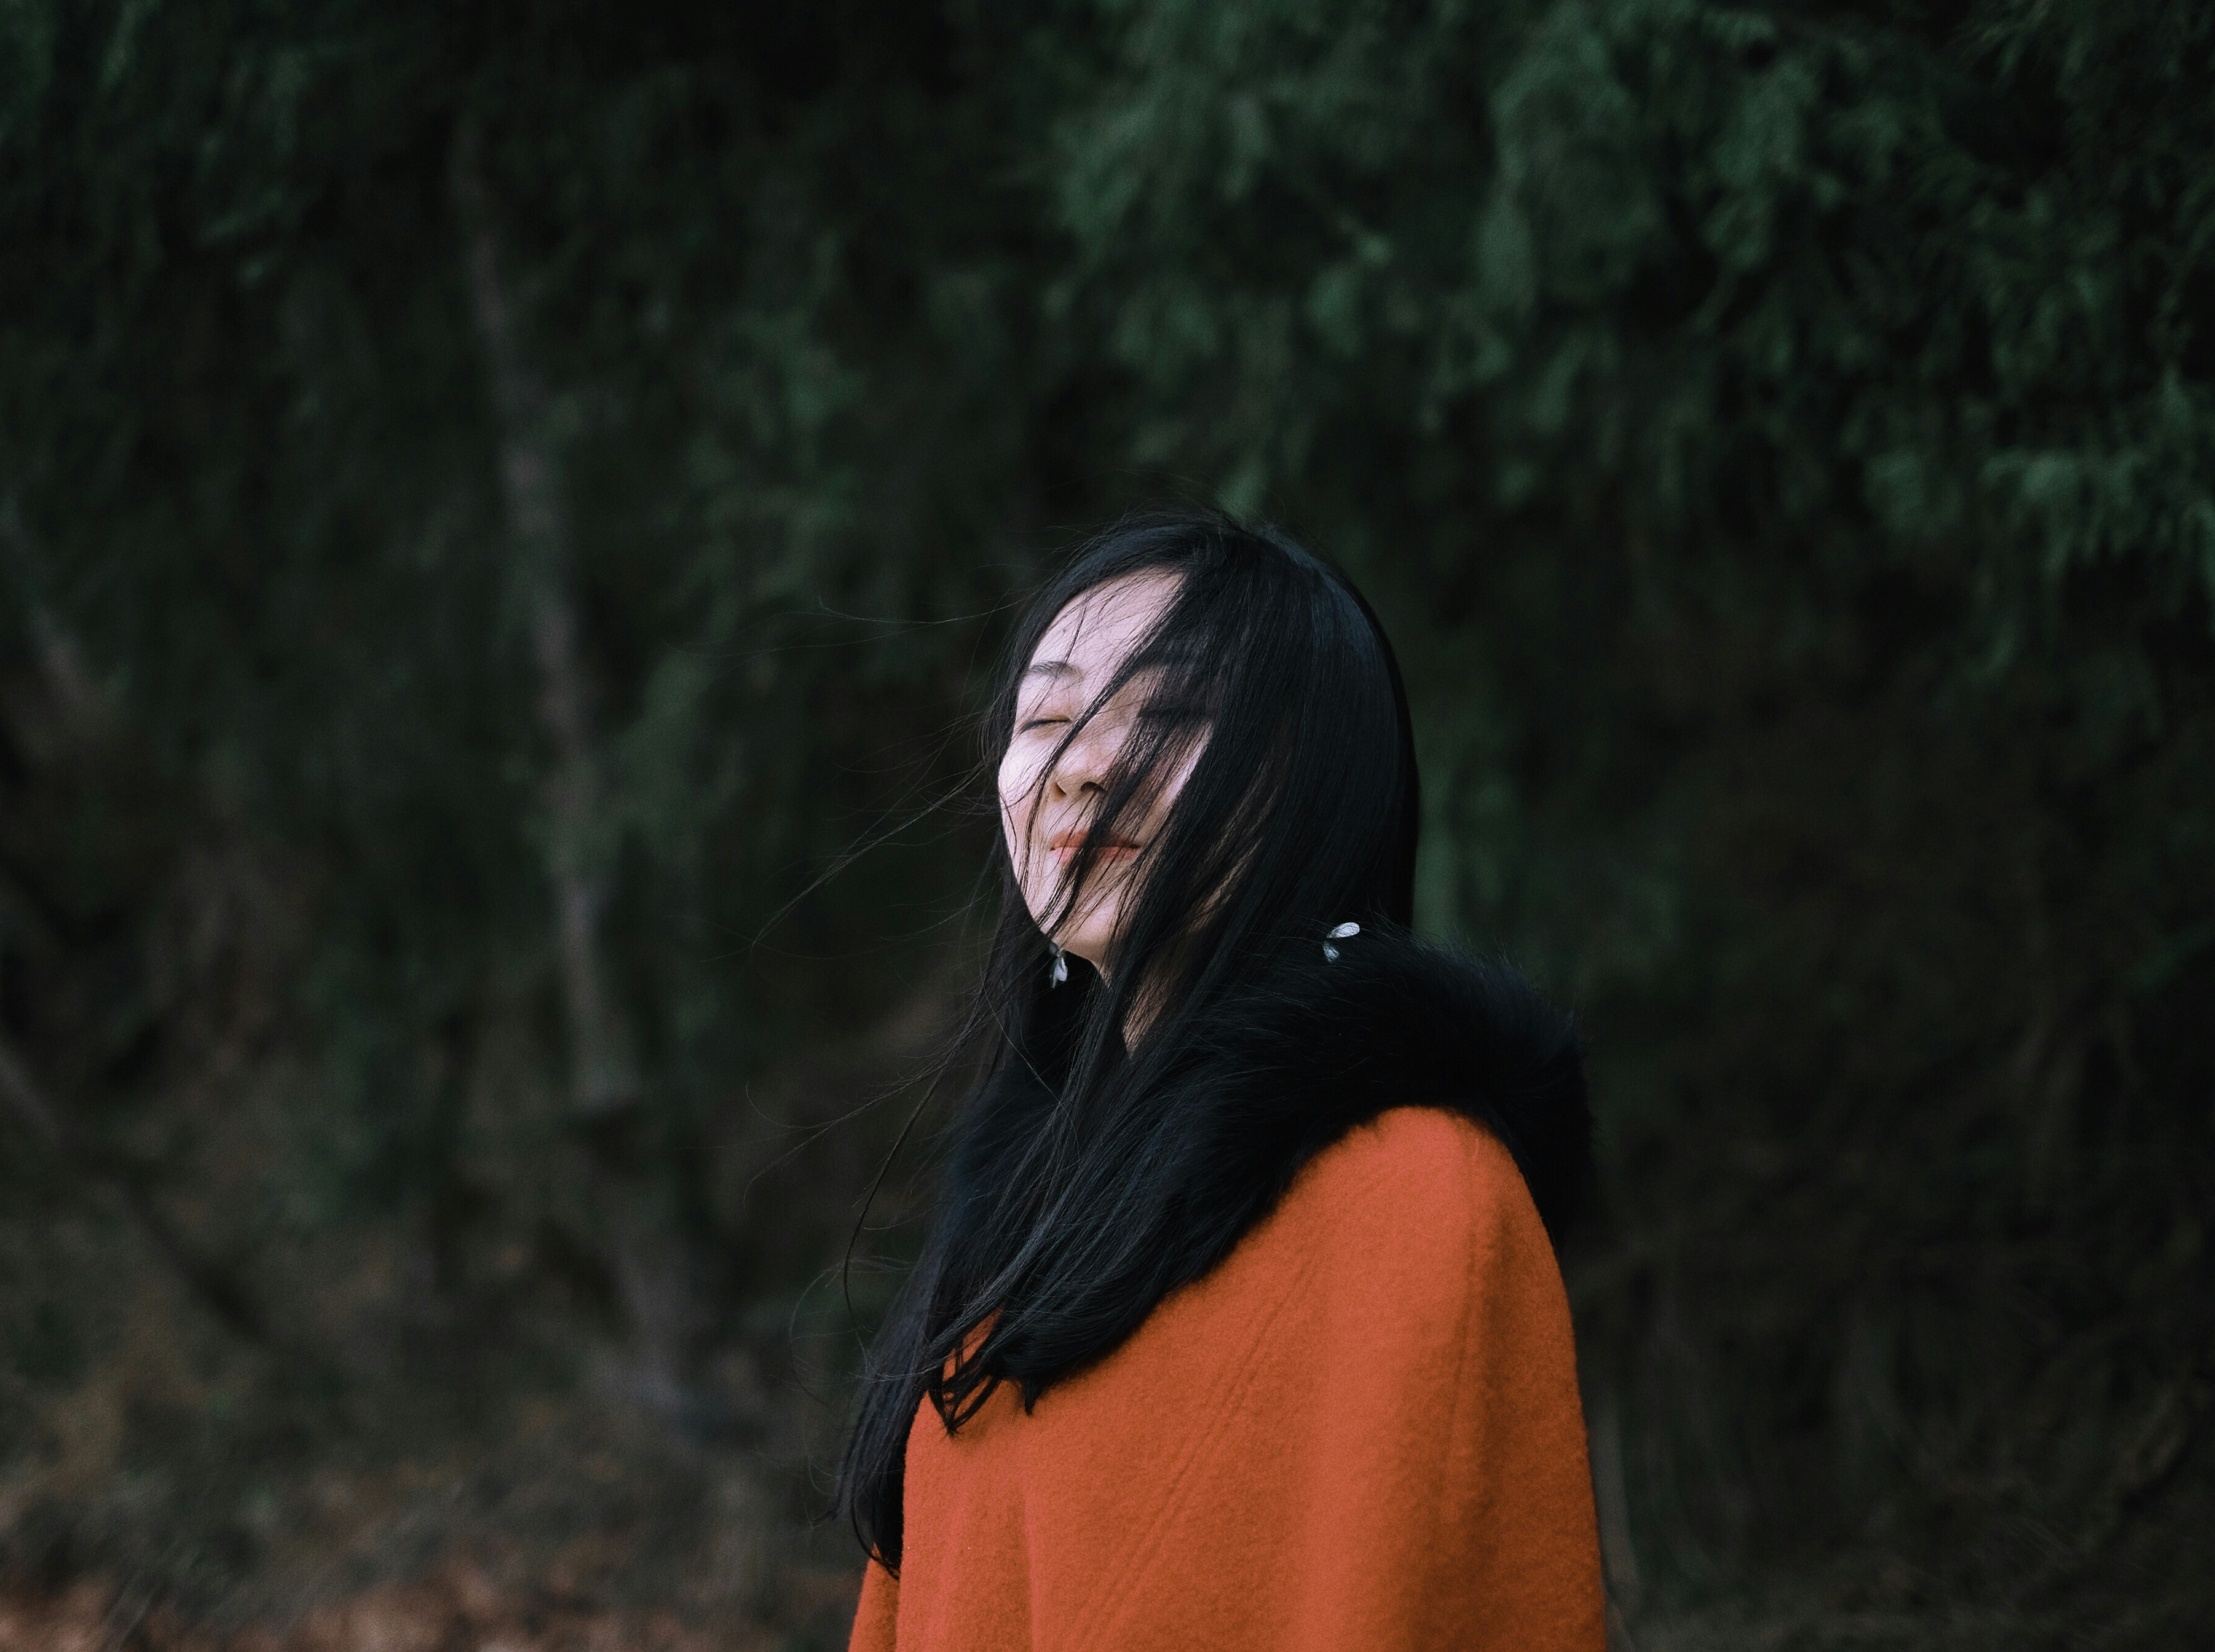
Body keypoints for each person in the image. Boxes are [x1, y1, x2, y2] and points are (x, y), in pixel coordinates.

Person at [840, 509, 1605, 1651]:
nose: (1082, 764)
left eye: (1175, 715)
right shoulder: (1028, 1211)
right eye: (1046, 715)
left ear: (1319, 783)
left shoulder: (1416, 1191)